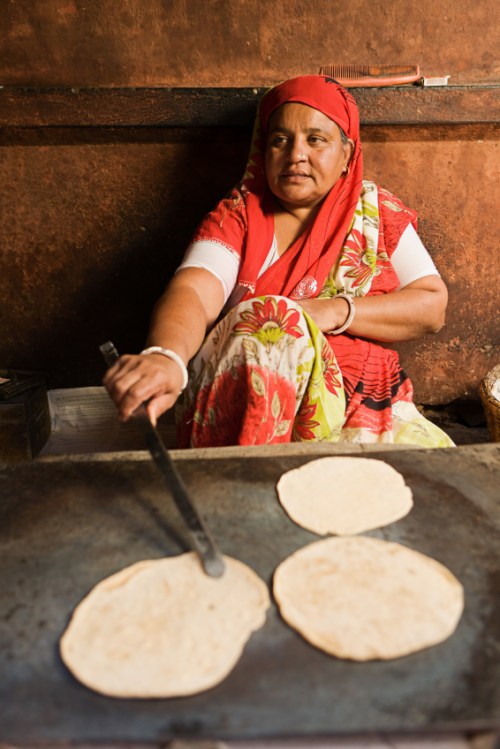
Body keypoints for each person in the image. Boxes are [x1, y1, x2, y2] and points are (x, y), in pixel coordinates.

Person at [103, 75, 454, 448]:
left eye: (315, 140)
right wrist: (167, 356)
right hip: (252, 407)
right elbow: (194, 286)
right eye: (280, 140)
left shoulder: (374, 212)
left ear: (347, 153)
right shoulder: (238, 216)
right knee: (273, 320)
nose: (295, 155)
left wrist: (334, 311)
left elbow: (432, 306)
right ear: (263, 150)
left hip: (365, 400)